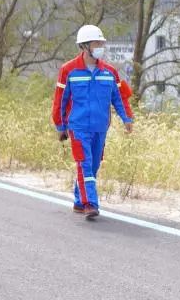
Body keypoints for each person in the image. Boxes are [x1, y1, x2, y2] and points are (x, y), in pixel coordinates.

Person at [51, 24, 134, 220]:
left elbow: (120, 98)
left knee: (93, 165)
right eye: (97, 43)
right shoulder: (68, 70)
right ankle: (90, 204)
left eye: (101, 43)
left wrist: (127, 118)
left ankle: (79, 201)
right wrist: (60, 126)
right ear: (84, 46)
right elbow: (60, 100)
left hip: (100, 127)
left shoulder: (110, 72)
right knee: (85, 164)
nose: (100, 47)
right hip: (78, 127)